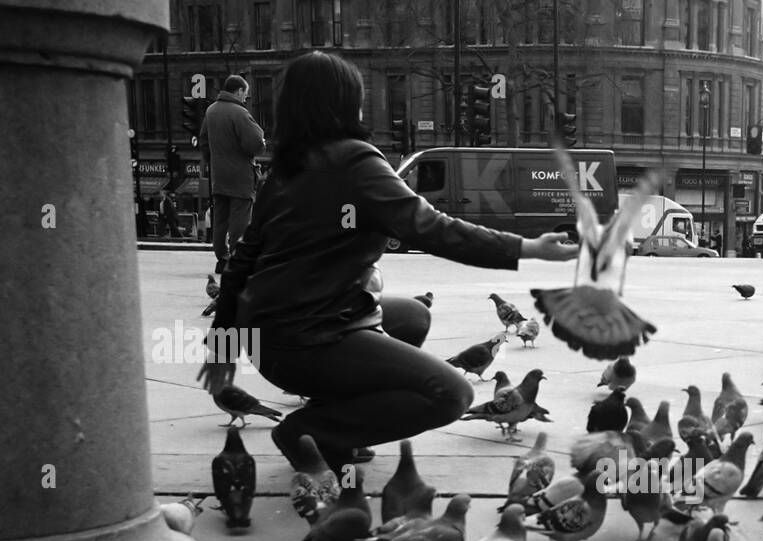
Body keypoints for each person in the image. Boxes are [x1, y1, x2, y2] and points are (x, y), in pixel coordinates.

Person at [197, 51, 578, 477]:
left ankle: (339, 419)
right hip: (309, 339)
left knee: (413, 315)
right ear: (342, 103)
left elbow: (243, 259)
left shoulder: (289, 167)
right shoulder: (355, 162)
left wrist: (224, 346)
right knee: (451, 394)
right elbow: (433, 228)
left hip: (275, 337)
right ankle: (310, 430)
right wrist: (526, 247)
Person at [199, 75, 265, 276]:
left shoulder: (210, 111)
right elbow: (255, 142)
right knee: (240, 218)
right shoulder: (240, 113)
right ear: (238, 91)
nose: (246, 96)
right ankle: (237, 257)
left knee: (220, 218)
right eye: (245, 92)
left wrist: (213, 160)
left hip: (219, 176)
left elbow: (203, 141)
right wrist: (262, 144)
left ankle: (221, 257)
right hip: (240, 176)